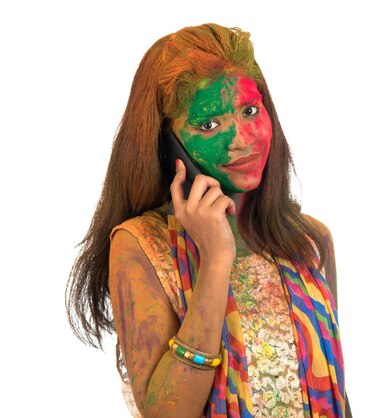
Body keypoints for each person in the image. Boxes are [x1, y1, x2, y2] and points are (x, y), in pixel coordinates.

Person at [66, 23, 351, 418]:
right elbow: (167, 413)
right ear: (168, 144)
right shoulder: (140, 245)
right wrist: (216, 259)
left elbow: (336, 391)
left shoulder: (309, 241)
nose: (242, 139)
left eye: (250, 111)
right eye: (208, 124)